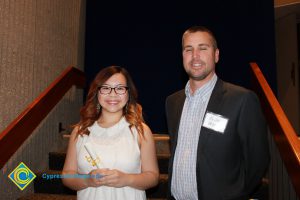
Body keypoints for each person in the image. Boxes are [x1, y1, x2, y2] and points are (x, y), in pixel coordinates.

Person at [165, 26, 270, 200]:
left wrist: (235, 193)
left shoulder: (242, 100)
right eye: (188, 49)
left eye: (203, 48)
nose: (195, 56)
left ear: (216, 55)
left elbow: (258, 161)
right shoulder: (172, 102)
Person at [62, 66, 159, 200]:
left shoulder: (140, 131)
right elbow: (67, 175)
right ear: (97, 92)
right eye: (106, 88)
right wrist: (87, 180)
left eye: (120, 88)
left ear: (128, 93)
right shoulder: (80, 131)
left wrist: (126, 179)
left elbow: (153, 177)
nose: (112, 94)